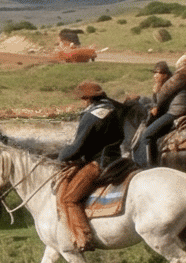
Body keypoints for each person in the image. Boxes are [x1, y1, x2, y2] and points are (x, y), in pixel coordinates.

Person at [53, 80, 129, 251]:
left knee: (70, 198)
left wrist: (61, 155)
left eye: (82, 98)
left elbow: (78, 147)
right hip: (117, 158)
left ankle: (83, 238)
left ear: (87, 98)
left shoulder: (91, 116)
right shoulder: (114, 109)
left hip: (99, 163)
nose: (81, 102)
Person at [134, 53, 186, 166]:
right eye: (154, 73)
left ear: (165, 74)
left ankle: (146, 168)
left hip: (177, 112)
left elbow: (161, 99)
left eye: (158, 73)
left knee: (147, 135)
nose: (155, 75)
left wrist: (155, 94)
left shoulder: (176, 78)